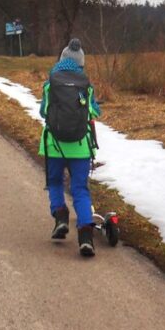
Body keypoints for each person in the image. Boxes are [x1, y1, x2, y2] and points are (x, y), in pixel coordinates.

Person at [39, 38, 101, 257]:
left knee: (54, 182)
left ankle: (61, 216)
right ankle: (85, 237)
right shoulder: (86, 84)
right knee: (80, 189)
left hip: (54, 145)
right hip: (80, 146)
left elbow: (44, 112)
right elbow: (94, 112)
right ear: (81, 63)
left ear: (62, 59)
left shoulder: (51, 83)